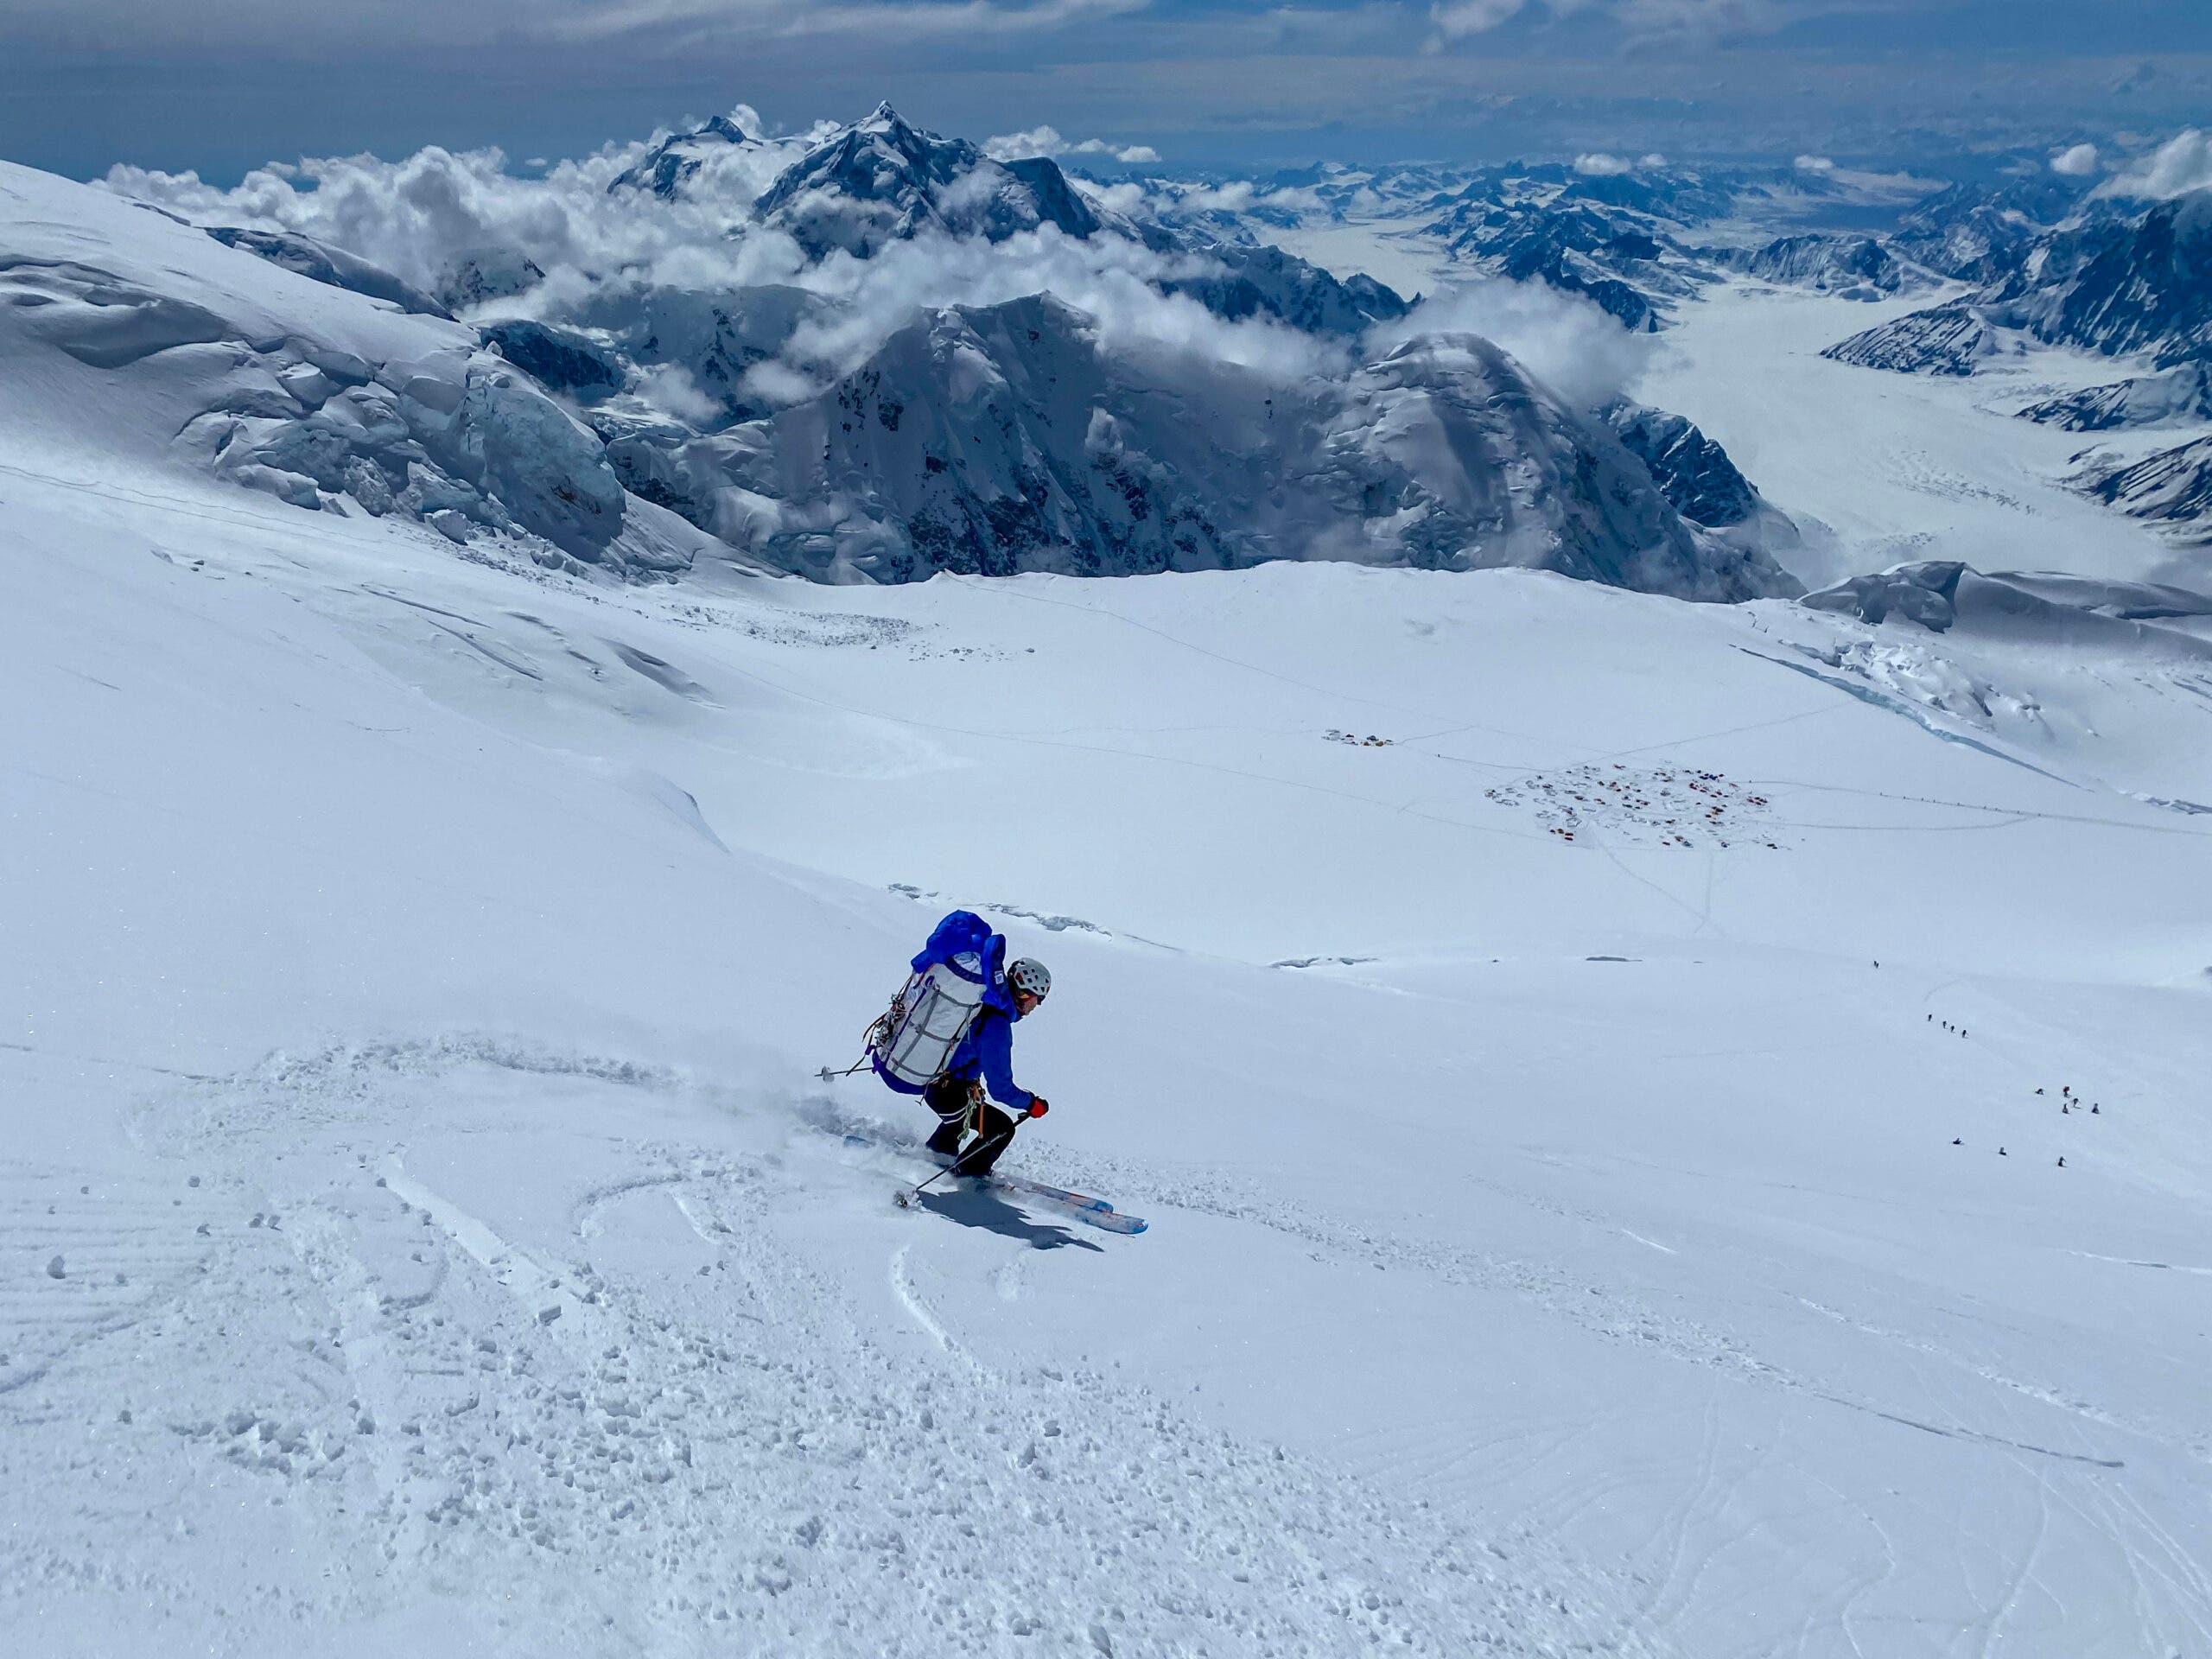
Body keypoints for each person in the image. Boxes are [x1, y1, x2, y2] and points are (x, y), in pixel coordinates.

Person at [924, 957, 1051, 1178]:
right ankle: (969, 1176)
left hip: (937, 1083)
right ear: (1025, 994)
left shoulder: (984, 1004)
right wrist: (1031, 1103)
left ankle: (937, 1151)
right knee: (1001, 1128)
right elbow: (1001, 1089)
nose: (1037, 1005)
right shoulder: (997, 1027)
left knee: (966, 1115)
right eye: (1038, 998)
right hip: (949, 1093)